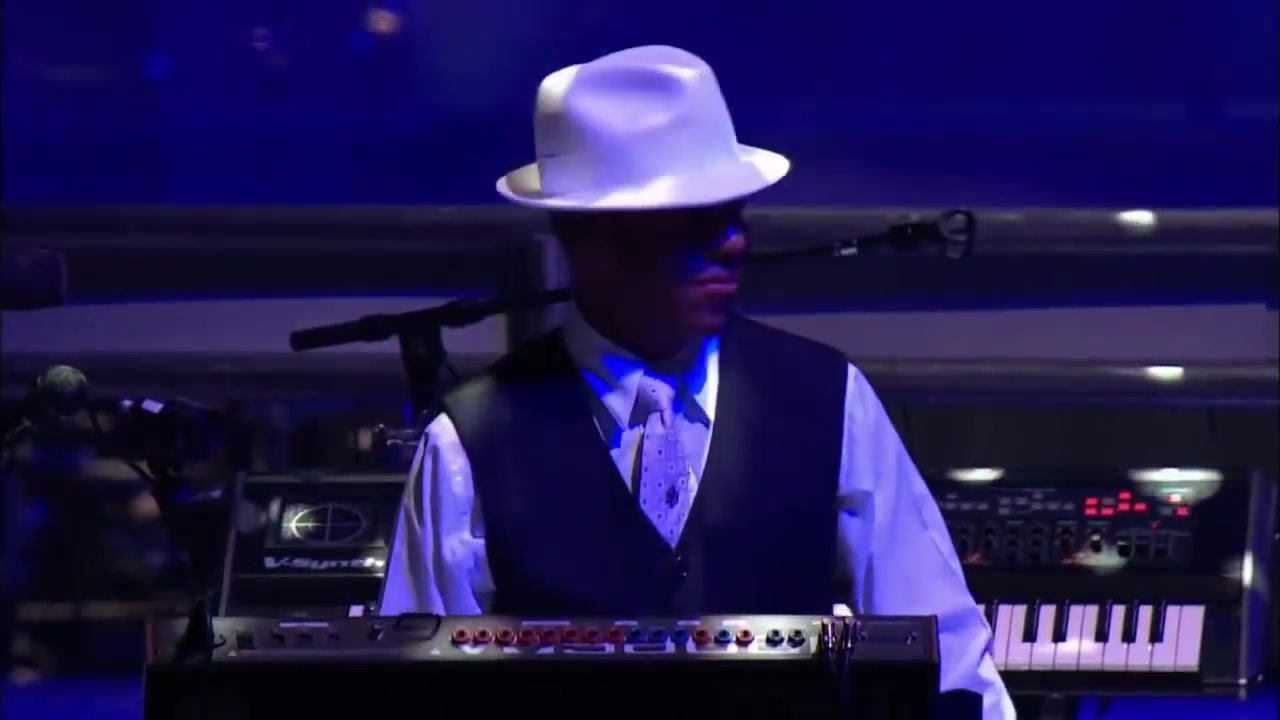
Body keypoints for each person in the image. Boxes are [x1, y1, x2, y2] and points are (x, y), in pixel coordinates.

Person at [381, 45, 1014, 718]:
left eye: (733, 213)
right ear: (584, 236)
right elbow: (419, 692)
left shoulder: (828, 399)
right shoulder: (469, 442)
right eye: (692, 221)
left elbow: (950, 658)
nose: (733, 243)